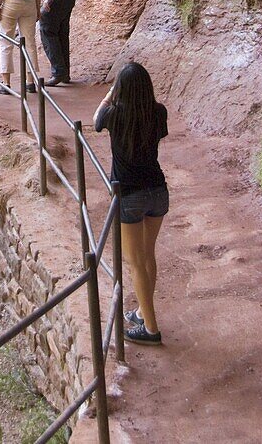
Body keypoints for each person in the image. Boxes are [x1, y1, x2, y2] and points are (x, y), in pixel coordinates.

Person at [93, 62, 169, 346]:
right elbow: (157, 131)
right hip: (158, 191)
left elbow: (95, 120)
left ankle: (150, 328)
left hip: (129, 195)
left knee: (136, 263)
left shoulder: (114, 114)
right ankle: (141, 311)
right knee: (148, 256)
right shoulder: (158, 112)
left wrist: (110, 94)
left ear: (120, 89)